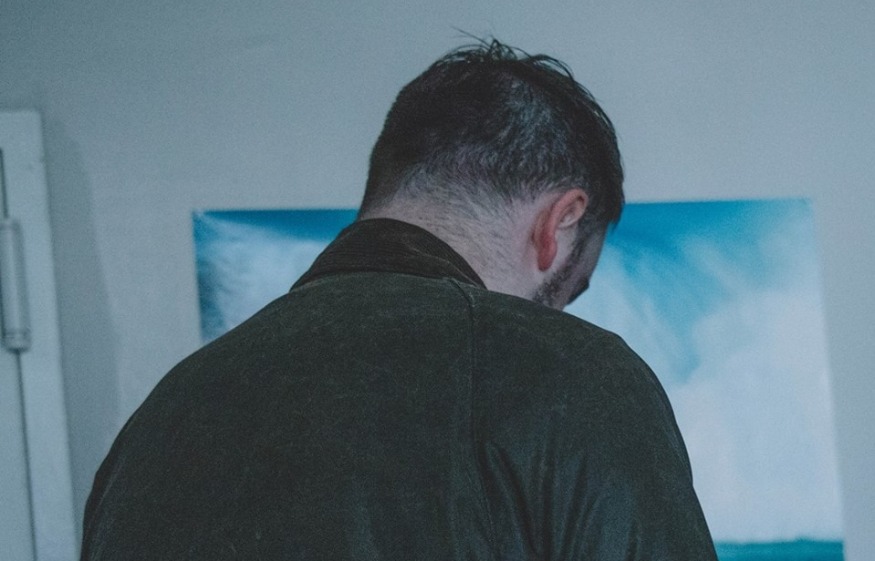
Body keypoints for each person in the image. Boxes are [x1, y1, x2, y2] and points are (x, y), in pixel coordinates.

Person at [81, 39, 717, 560]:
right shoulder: (573, 374)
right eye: (567, 294)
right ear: (561, 222)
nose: (554, 316)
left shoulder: (160, 418)